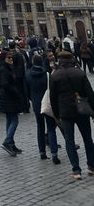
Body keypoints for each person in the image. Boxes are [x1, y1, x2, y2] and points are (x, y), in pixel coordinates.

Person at [50, 49, 94, 180]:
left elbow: (53, 97)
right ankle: (91, 166)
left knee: (69, 140)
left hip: (65, 111)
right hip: (82, 109)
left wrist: (56, 114)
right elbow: (90, 93)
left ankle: (76, 170)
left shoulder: (55, 75)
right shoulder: (79, 73)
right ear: (72, 60)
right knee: (87, 139)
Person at [25, 53, 59, 164]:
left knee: (40, 127)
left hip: (36, 104)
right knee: (51, 128)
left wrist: (32, 100)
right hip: (48, 104)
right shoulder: (47, 74)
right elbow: (53, 91)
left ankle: (42, 152)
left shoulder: (28, 74)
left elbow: (26, 91)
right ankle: (54, 154)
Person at [0, 49, 26, 156]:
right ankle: (7, 141)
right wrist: (15, 91)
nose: (11, 59)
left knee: (10, 120)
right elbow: (5, 84)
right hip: (8, 97)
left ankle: (11, 144)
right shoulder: (3, 69)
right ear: (4, 59)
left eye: (11, 57)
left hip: (8, 97)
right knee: (14, 120)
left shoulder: (8, 68)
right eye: (9, 58)